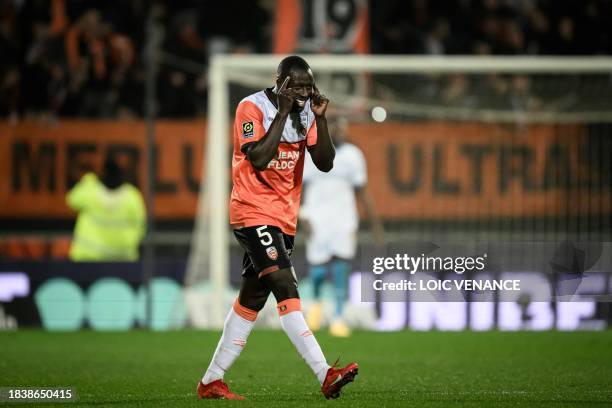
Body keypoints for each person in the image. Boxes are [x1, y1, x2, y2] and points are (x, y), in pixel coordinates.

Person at [197, 56, 358, 400]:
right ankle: (325, 373)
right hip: (252, 211)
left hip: (284, 217)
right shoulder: (251, 107)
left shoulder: (306, 114)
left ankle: (212, 380)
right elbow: (258, 158)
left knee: (252, 299)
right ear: (279, 81)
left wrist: (320, 119)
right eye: (296, 85)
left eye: (307, 86)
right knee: (285, 284)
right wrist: (283, 112)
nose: (302, 92)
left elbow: (326, 163)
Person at [301, 117, 385, 337]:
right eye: (336, 128)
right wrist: (303, 215)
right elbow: (300, 187)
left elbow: (362, 191)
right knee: (318, 268)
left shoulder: (354, 156)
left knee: (341, 265)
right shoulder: (312, 153)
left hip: (344, 218)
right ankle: (317, 307)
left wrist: (375, 226)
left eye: (344, 129)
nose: (341, 132)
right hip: (317, 217)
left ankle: (338, 318)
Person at [66, 156, 145, 261]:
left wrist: (89, 180)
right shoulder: (132, 196)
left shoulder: (90, 191)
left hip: (89, 258)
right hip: (123, 259)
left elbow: (72, 199)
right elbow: (141, 227)